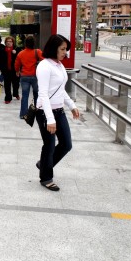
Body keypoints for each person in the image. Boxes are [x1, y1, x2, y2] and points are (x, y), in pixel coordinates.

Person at [35, 34, 80, 191]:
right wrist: (50, 119)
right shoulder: (44, 66)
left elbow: (61, 90)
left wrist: (72, 106)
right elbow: (43, 94)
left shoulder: (59, 65)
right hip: (45, 112)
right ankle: (46, 177)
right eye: (62, 49)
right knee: (49, 144)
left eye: (66, 49)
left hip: (59, 111)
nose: (65, 52)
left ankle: (44, 164)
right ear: (53, 48)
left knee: (66, 144)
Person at [15, 35, 43, 119]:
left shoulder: (21, 53)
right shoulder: (37, 52)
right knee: (37, 95)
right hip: (35, 76)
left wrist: (17, 71)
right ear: (34, 43)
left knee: (25, 96)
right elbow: (44, 60)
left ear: (25, 43)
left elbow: (16, 65)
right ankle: (37, 112)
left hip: (24, 77)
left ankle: (23, 114)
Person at [3, 36, 20, 104]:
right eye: (7, 41)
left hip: (15, 70)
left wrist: (16, 53)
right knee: (7, 85)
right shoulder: (3, 50)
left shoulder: (17, 49)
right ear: (5, 43)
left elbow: (20, 59)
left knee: (16, 84)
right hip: (6, 70)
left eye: (10, 41)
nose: (9, 43)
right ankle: (8, 98)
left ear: (13, 42)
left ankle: (16, 94)